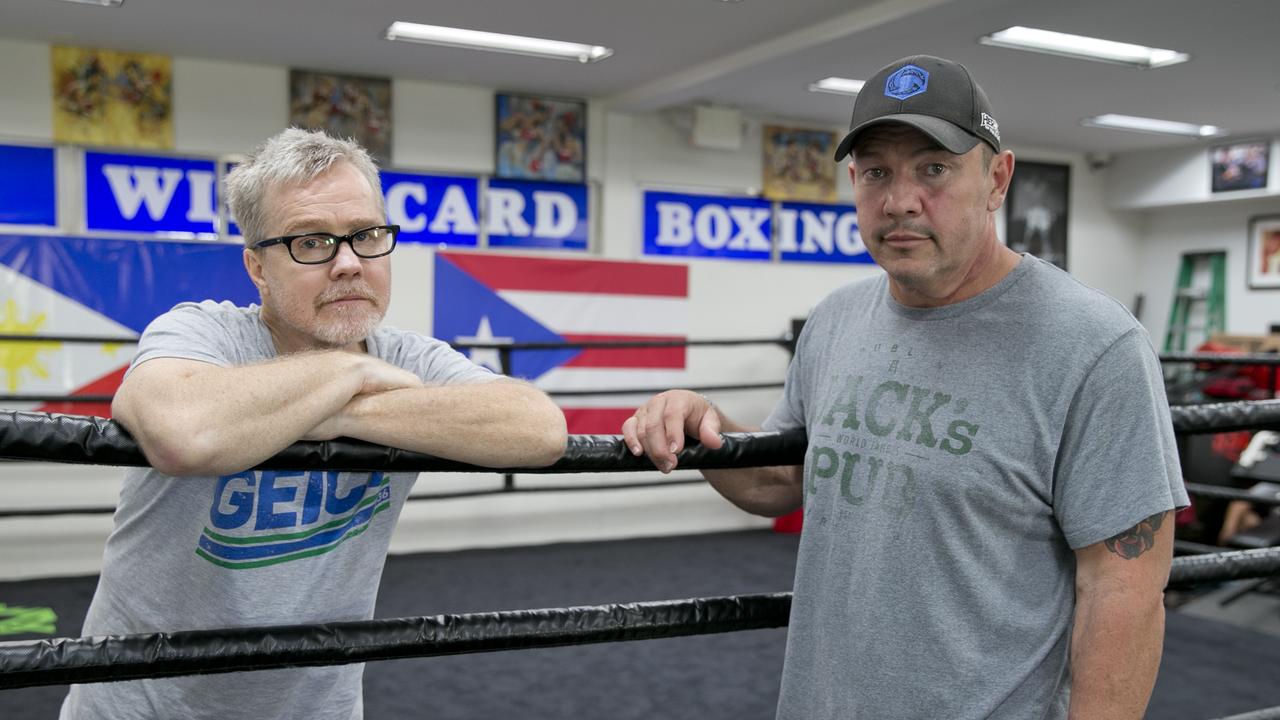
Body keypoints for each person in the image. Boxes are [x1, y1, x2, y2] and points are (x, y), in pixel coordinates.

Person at [623, 55, 1187, 719]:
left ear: (997, 179)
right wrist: (704, 425)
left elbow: (1122, 590)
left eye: (934, 168)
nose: (899, 201)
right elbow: (783, 479)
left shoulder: (1093, 346)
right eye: (876, 172)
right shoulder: (836, 321)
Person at [61, 128, 567, 719]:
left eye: (366, 235)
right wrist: (346, 372)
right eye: (312, 242)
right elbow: (183, 431)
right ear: (257, 267)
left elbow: (538, 428)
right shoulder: (204, 332)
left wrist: (340, 405)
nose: (348, 264)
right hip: (143, 707)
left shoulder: (408, 357)